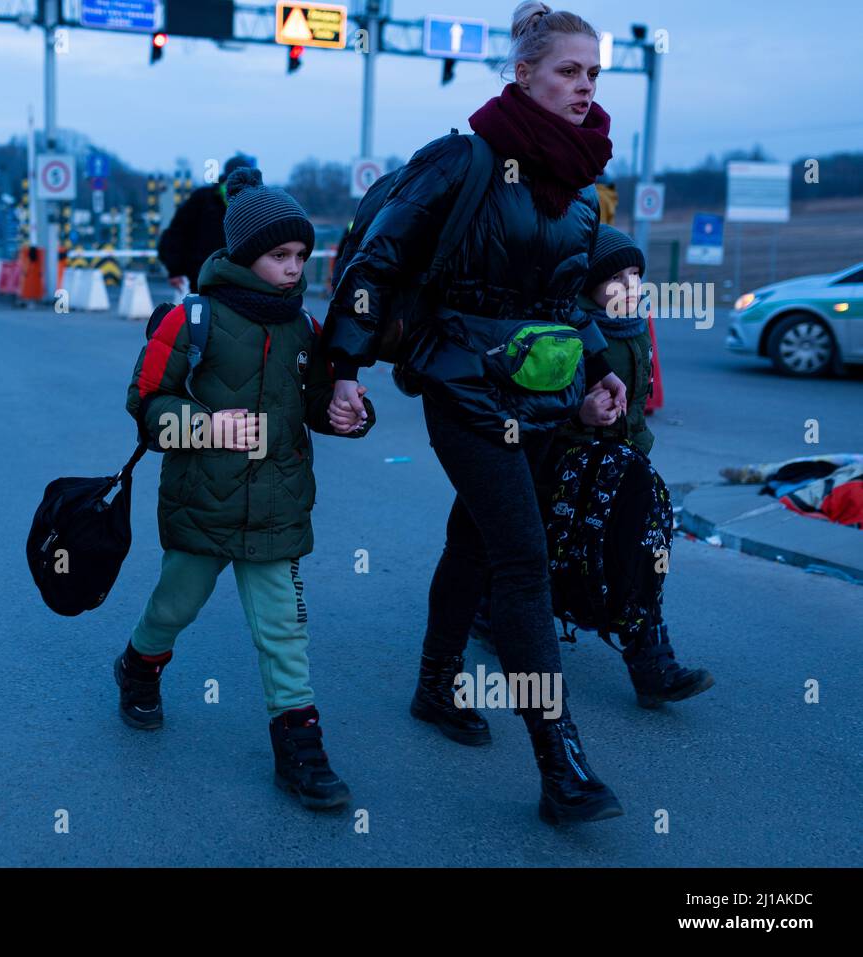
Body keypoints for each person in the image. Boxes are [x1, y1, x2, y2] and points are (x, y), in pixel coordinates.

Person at [324, 1, 629, 825]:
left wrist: (601, 369)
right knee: (523, 559)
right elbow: (375, 259)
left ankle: (434, 683)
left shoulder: (577, 185)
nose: (584, 86)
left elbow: (568, 295)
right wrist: (341, 368)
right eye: (569, 70)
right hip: (462, 385)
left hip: (543, 393)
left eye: (594, 72)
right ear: (523, 73)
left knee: (477, 538)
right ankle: (561, 761)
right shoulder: (461, 161)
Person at [120, 167, 376, 810]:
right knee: (173, 608)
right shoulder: (189, 321)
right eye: (279, 256)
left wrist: (347, 415)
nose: (294, 269)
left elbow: (315, 401)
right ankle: (139, 667)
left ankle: (300, 749)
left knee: (284, 631)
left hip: (277, 509)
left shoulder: (307, 330)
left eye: (300, 256)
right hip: (201, 503)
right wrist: (203, 425)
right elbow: (147, 407)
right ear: (242, 254)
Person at [547, 226, 715, 705]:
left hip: (623, 465)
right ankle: (490, 607)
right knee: (581, 555)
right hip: (572, 464)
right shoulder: (569, 329)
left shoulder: (636, 327)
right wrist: (576, 412)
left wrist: (635, 449)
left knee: (638, 549)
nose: (630, 286)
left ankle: (651, 665)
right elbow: (534, 401)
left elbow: (638, 406)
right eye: (615, 277)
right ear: (587, 283)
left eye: (636, 274)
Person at [157, 153, 255, 294]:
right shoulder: (257, 202)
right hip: (229, 276)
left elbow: (175, 234)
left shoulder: (202, 198)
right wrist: (175, 270)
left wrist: (175, 270)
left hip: (204, 274)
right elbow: (176, 235)